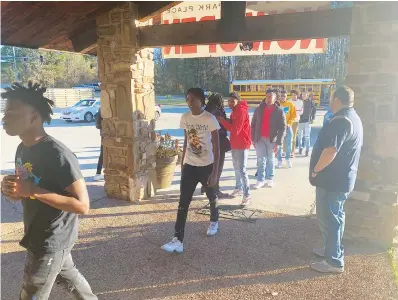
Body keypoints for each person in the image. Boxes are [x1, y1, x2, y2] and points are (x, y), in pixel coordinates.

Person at [0, 82, 97, 300]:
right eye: (5, 112)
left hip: (51, 238)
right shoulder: (22, 148)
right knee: (70, 276)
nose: (5, 118)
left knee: (31, 293)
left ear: (34, 116)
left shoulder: (59, 155)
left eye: (12, 113)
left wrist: (33, 190)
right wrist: (13, 190)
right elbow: (26, 189)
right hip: (37, 231)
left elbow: (82, 205)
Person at [309, 86, 363, 273]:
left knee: (330, 218)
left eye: (332, 99)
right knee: (335, 216)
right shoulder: (353, 117)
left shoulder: (341, 121)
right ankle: (331, 250)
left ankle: (333, 261)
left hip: (333, 181)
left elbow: (331, 150)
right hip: (341, 179)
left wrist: (316, 170)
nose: (330, 102)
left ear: (337, 100)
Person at [161, 88, 220, 253]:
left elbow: (217, 145)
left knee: (211, 195)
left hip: (207, 165)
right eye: (187, 99)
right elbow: (187, 138)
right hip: (190, 165)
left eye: (192, 99)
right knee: (183, 202)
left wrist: (215, 172)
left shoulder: (210, 118)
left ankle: (214, 219)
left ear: (201, 101)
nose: (189, 102)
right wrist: (182, 161)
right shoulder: (185, 117)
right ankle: (178, 239)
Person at [217, 92, 252, 205]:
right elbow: (232, 123)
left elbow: (235, 130)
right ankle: (239, 188)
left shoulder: (241, 110)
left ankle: (247, 195)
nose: (230, 103)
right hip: (235, 143)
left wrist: (222, 121)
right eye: (229, 101)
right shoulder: (235, 111)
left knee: (242, 169)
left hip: (242, 144)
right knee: (236, 168)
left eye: (233, 101)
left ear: (238, 100)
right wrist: (225, 119)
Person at [251, 89, 286, 189]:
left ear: (275, 98)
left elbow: (283, 127)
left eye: (271, 96)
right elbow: (253, 124)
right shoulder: (259, 109)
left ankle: (270, 178)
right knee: (261, 159)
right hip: (260, 138)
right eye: (267, 96)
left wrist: (278, 142)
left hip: (272, 139)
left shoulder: (279, 111)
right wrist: (253, 138)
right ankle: (260, 180)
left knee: (270, 159)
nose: (268, 98)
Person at [203, 92, 231, 199]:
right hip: (218, 142)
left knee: (209, 167)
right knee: (218, 168)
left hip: (207, 142)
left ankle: (206, 186)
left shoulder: (205, 110)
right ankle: (215, 190)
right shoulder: (218, 112)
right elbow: (222, 126)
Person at [276, 90, 296, 169]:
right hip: (279, 128)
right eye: (281, 96)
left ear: (286, 97)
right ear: (279, 96)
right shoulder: (276, 104)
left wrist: (289, 123)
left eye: (284, 96)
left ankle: (287, 159)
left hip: (288, 127)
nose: (283, 97)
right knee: (279, 145)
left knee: (289, 144)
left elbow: (293, 116)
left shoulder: (290, 104)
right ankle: (279, 160)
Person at [297, 90, 316, 156]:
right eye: (302, 94)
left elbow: (314, 110)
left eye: (305, 94)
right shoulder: (299, 101)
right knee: (299, 136)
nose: (303, 96)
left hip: (307, 121)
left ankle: (307, 150)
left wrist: (313, 118)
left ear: (307, 95)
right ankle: (300, 148)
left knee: (307, 137)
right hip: (299, 121)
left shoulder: (310, 102)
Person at [289, 90, 303, 157]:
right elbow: (286, 111)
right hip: (288, 121)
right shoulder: (288, 101)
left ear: (297, 95)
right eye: (292, 95)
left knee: (294, 136)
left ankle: (292, 151)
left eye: (295, 95)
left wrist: (295, 114)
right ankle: (286, 150)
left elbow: (301, 112)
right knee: (287, 136)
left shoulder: (300, 102)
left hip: (296, 121)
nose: (294, 96)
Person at [94, 108, 104, 181]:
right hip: (105, 134)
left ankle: (98, 173)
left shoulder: (101, 108)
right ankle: (98, 173)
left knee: (102, 154)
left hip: (103, 134)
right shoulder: (103, 109)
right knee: (103, 154)